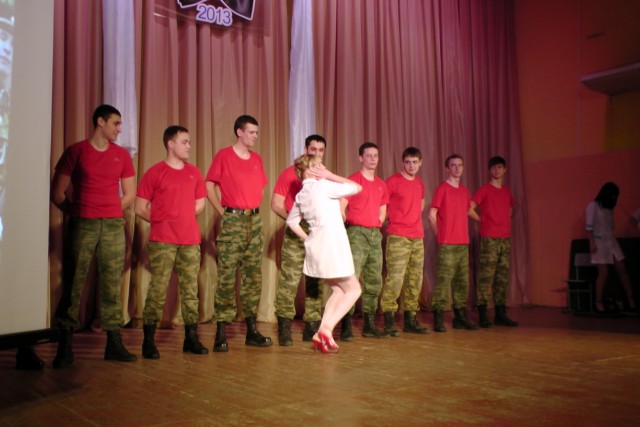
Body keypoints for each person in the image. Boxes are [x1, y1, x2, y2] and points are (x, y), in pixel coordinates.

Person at [50, 104, 137, 367]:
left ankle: (113, 342)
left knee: (111, 283)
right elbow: (57, 194)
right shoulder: (76, 151)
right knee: (73, 283)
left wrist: (110, 210)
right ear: (100, 122)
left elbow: (130, 193)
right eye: (115, 123)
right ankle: (64, 344)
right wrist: (78, 212)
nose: (119, 129)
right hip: (83, 224)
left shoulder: (121, 155)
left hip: (112, 226)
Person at [135, 126, 209, 359]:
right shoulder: (155, 173)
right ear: (170, 144)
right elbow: (140, 207)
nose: (189, 146)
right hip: (162, 241)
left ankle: (191, 338)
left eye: (189, 142)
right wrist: (163, 220)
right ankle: (148, 341)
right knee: (158, 289)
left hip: (190, 240)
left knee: (190, 290)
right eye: (184, 142)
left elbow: (200, 204)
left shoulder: (194, 173)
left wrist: (181, 217)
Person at [205, 115, 272, 352]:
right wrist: (222, 211)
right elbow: (209, 185)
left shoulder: (257, 159)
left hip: (254, 221)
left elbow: (260, 187)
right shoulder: (224, 155)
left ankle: (251, 329)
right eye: (251, 132)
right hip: (232, 220)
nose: (255, 136)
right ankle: (221, 330)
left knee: (253, 276)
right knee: (227, 275)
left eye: (256, 132)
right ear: (239, 132)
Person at [286, 155, 362, 353]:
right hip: (332, 247)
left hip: (317, 249)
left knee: (338, 290)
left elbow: (291, 222)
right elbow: (356, 187)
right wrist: (330, 175)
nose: (324, 168)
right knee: (354, 290)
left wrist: (308, 238)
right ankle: (327, 328)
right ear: (312, 169)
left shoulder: (301, 194)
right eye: (321, 166)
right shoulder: (324, 186)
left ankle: (319, 333)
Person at [271, 135, 326, 345]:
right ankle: (284, 326)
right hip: (296, 232)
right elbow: (276, 203)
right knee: (290, 280)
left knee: (315, 279)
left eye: (321, 150)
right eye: (313, 149)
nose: (317, 153)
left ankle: (311, 325)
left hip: (317, 230)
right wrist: (293, 221)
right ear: (306, 149)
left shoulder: (325, 176)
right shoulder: (290, 173)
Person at [341, 142, 390, 339]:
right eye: (368, 155)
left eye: (375, 155)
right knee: (351, 278)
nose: (372, 159)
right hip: (356, 233)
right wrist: (349, 224)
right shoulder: (353, 181)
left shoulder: (381, 184)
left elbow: (383, 209)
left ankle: (369, 324)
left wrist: (377, 222)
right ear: (361, 158)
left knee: (374, 279)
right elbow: (341, 206)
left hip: (374, 234)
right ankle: (345, 324)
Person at [380, 147, 430, 337]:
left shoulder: (419, 183)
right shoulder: (393, 181)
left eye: (415, 162)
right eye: (408, 162)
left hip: (417, 236)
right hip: (398, 235)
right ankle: (389, 320)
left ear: (420, 163)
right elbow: (382, 206)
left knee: (415, 278)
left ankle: (411, 319)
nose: (411, 166)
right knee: (395, 278)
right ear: (402, 162)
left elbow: (420, 206)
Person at [428, 154, 479, 332]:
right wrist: (439, 235)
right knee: (443, 281)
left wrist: (483, 220)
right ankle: (438, 318)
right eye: (453, 165)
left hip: (463, 243)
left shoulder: (464, 190)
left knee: (462, 281)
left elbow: (467, 210)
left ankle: (460, 317)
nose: (457, 168)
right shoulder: (442, 188)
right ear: (447, 168)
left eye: (460, 165)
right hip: (447, 243)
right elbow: (431, 215)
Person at [470, 156, 518, 327]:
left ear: (505, 170)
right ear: (489, 170)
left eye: (499, 167)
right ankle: (483, 314)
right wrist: (482, 219)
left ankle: (500, 313)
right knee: (486, 275)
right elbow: (469, 208)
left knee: (502, 277)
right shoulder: (484, 189)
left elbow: (511, 209)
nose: (497, 170)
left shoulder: (506, 191)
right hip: (489, 237)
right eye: (493, 167)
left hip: (505, 238)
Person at [586, 182, 636, 312]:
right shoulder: (593, 206)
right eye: (612, 195)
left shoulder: (609, 208)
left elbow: (611, 227)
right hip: (599, 242)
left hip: (611, 241)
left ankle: (630, 299)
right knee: (604, 272)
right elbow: (589, 227)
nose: (614, 198)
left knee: (622, 269)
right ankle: (598, 301)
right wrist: (592, 243)